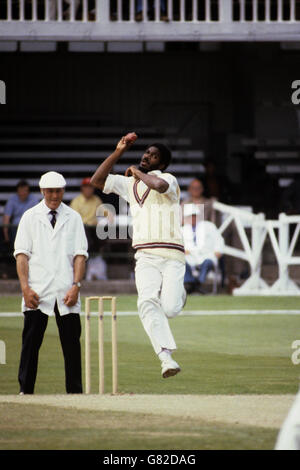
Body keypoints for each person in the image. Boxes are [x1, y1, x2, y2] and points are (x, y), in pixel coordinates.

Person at [91, 135, 186, 379]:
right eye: (146, 153)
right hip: (144, 254)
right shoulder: (130, 184)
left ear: (162, 164)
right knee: (145, 302)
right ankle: (165, 357)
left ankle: (180, 295)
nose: (146, 156)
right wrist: (118, 151)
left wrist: (135, 170)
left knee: (172, 309)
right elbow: (97, 180)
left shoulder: (168, 179)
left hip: (172, 253)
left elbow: (158, 186)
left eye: (153, 155)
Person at [14, 171, 88, 394]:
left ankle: (75, 394)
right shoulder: (30, 216)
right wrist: (25, 288)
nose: (55, 195)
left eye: (58, 191)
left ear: (63, 191)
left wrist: (76, 286)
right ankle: (25, 391)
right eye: (50, 191)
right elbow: (21, 255)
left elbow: (80, 255)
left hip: (67, 289)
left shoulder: (73, 217)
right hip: (37, 290)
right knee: (30, 345)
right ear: (42, 191)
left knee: (72, 346)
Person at [182, 204, 224, 294]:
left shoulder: (209, 226)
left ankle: (199, 283)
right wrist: (183, 250)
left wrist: (218, 250)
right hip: (190, 256)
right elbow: (178, 245)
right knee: (182, 262)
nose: (192, 218)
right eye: (189, 216)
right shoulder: (182, 229)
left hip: (207, 254)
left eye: (194, 216)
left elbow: (219, 239)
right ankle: (190, 283)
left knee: (208, 263)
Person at [3, 180, 39, 246]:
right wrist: (6, 237)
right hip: (15, 227)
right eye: (20, 191)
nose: (23, 193)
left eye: (25, 191)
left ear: (28, 192)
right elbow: (6, 218)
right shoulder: (12, 199)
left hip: (30, 226)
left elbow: (38, 215)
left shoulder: (34, 199)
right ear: (17, 191)